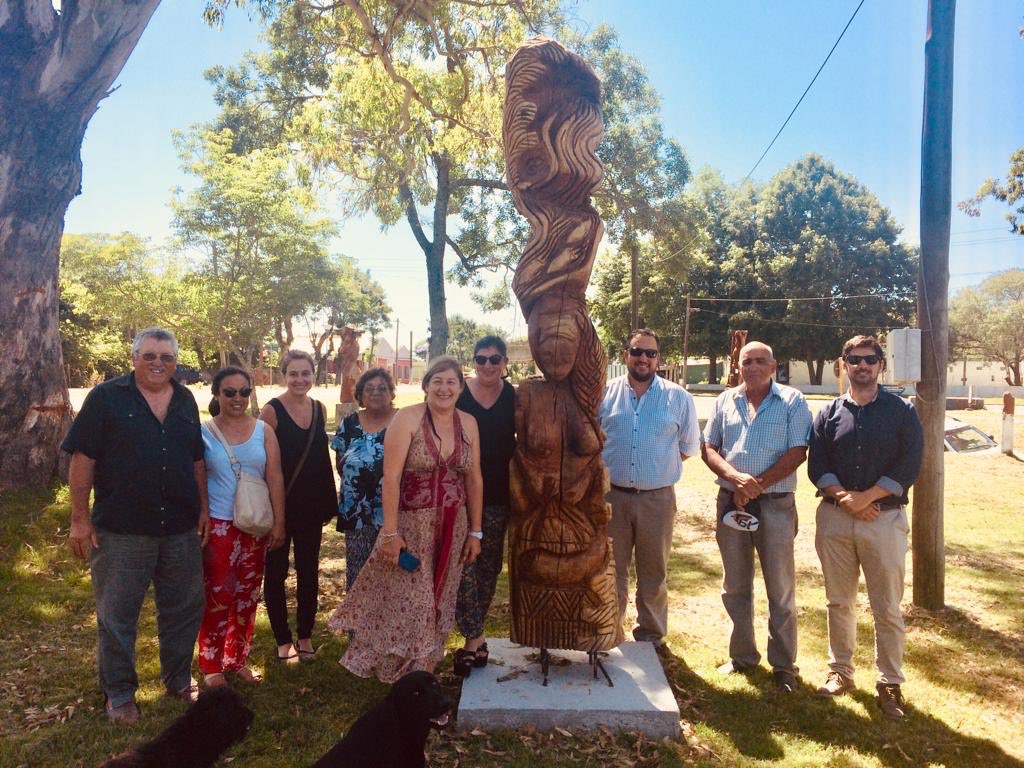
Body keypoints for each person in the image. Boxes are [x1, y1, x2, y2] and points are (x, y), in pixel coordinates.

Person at [63, 328, 209, 723]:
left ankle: (179, 680)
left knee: (183, 609)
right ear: (134, 357)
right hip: (122, 531)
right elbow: (83, 457)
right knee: (117, 616)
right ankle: (120, 694)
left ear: (175, 362)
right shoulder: (106, 397)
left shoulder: (185, 400)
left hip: (179, 526)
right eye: (150, 356)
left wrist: (203, 509)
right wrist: (79, 518)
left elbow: (196, 459)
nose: (158, 363)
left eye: (166, 357)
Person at [329, 356, 483, 682]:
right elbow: (391, 477)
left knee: (441, 595)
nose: (444, 388)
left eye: (451, 382)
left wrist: (476, 532)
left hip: (453, 525)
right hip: (413, 526)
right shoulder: (407, 418)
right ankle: (404, 671)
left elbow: (474, 479)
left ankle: (422, 670)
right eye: (437, 381)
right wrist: (389, 532)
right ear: (426, 385)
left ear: (460, 387)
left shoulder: (468, 423)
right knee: (414, 598)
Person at [808, 335, 923, 721]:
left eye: (869, 359)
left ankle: (890, 682)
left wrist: (868, 498)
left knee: (886, 605)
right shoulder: (828, 413)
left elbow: (910, 464)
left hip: (883, 520)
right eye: (854, 359)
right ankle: (840, 672)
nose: (862, 366)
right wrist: (846, 498)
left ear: (881, 365)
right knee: (839, 601)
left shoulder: (902, 411)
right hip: (835, 519)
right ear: (844, 364)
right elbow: (817, 463)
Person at [701, 341, 813, 692]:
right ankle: (742, 657)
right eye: (746, 361)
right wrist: (735, 480)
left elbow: (798, 451)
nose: (752, 367)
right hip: (730, 503)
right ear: (738, 365)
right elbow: (708, 447)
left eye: (760, 361)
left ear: (773, 365)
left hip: (775, 504)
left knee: (780, 588)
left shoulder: (792, 401)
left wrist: (756, 485)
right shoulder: (725, 400)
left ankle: (783, 666)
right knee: (735, 586)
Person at [598, 329, 701, 647]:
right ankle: (609, 632)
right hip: (611, 497)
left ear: (659, 358)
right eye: (637, 351)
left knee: (653, 571)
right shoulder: (604, 394)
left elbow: (687, 446)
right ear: (625, 354)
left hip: (657, 499)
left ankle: (651, 636)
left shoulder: (678, 397)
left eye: (650, 353)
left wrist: (653, 468)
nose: (643, 358)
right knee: (610, 570)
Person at [199, 367, 286, 688]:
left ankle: (236, 660)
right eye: (229, 392)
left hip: (255, 525)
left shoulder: (264, 431)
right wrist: (203, 516)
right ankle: (211, 665)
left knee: (247, 596)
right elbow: (197, 479)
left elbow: (274, 476)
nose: (237, 399)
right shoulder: (204, 431)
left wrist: (279, 522)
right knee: (218, 594)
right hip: (221, 526)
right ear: (217, 395)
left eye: (244, 392)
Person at [259, 351, 338, 664]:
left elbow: (321, 461)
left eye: (306, 373)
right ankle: (282, 640)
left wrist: (327, 505)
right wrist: (274, 515)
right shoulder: (272, 411)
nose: (300, 379)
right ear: (283, 375)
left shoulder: (319, 408)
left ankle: (305, 635)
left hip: (310, 508)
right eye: (293, 374)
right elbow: (261, 463)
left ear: (314, 375)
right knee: (275, 574)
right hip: (278, 506)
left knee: (309, 573)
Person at [453, 337, 516, 677]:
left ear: (505, 362)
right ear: (473, 361)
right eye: (481, 359)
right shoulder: (458, 392)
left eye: (495, 360)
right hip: (457, 496)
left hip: (498, 498)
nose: (488, 366)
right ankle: (475, 636)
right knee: (461, 567)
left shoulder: (514, 397)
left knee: (487, 570)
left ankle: (471, 644)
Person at [331, 367, 399, 591]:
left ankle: (388, 625)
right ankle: (356, 626)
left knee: (392, 573)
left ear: (391, 393)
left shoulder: (403, 421)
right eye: (369, 388)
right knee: (359, 574)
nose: (376, 392)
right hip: (356, 513)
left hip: (394, 514)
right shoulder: (349, 424)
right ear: (360, 395)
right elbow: (342, 463)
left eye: (382, 388)